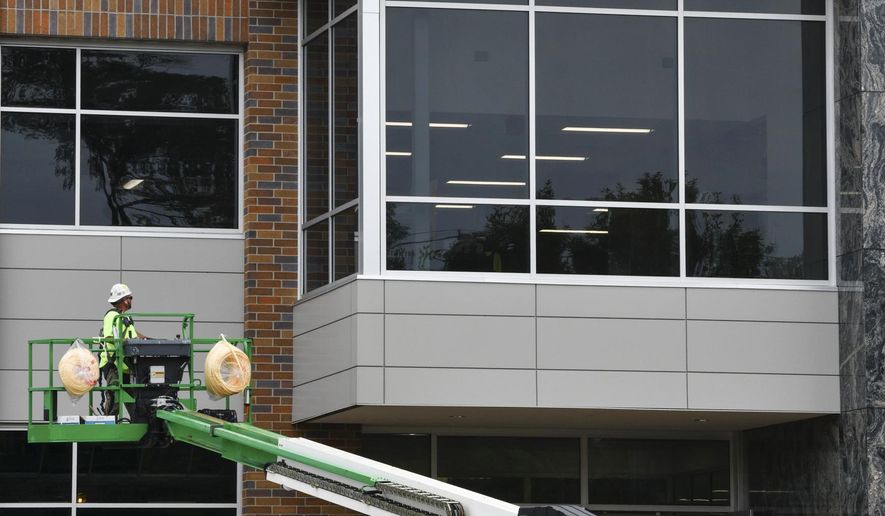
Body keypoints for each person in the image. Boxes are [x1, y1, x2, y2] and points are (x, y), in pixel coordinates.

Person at [99, 283, 146, 416]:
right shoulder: (111, 316)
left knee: (134, 399)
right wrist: (126, 342)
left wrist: (146, 339)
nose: (131, 300)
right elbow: (109, 337)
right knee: (115, 398)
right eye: (130, 298)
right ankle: (109, 427)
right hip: (114, 364)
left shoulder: (124, 317)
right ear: (124, 300)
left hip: (125, 365)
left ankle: (138, 424)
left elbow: (132, 334)